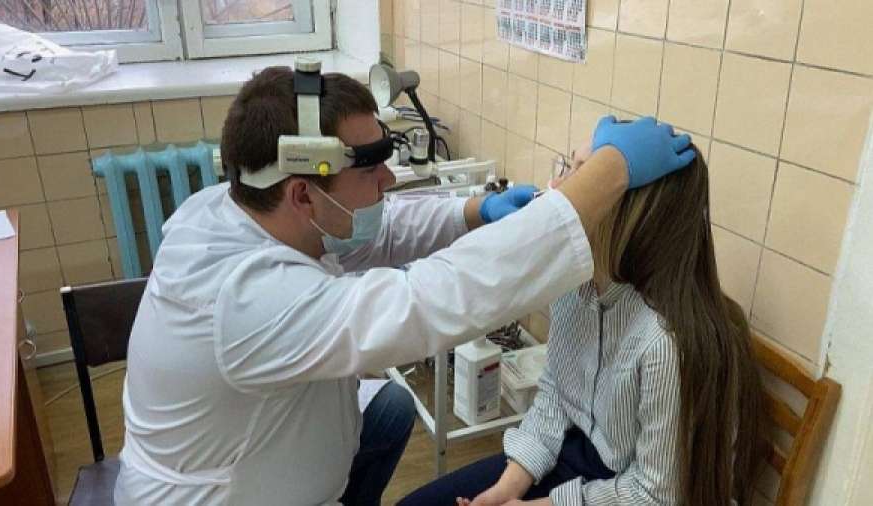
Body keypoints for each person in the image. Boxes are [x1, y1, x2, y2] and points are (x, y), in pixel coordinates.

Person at [113, 63, 696, 506]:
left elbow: (376, 229)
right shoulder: (243, 301)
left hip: (269, 439)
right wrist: (610, 172)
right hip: (220, 493)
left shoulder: (243, 206)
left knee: (390, 408)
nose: (388, 182)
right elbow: (429, 301)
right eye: (371, 171)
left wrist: (475, 210)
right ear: (303, 193)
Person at [398, 143, 763, 506]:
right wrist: (506, 490)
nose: (558, 186)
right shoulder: (578, 286)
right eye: (568, 167)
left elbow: (655, 494)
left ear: (629, 214)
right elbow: (557, 394)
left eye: (582, 173)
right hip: (585, 455)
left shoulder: (664, 341)